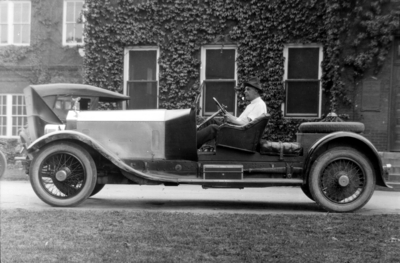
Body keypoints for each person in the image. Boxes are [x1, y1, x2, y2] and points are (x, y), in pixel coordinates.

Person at [197, 78, 267, 149]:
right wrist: (227, 115)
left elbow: (247, 125)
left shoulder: (259, 105)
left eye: (248, 89)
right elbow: (241, 121)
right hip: (240, 133)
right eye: (245, 89)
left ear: (256, 91)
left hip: (242, 139)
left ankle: (191, 144)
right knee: (211, 121)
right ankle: (195, 141)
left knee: (213, 128)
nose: (245, 91)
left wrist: (231, 119)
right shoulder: (252, 105)